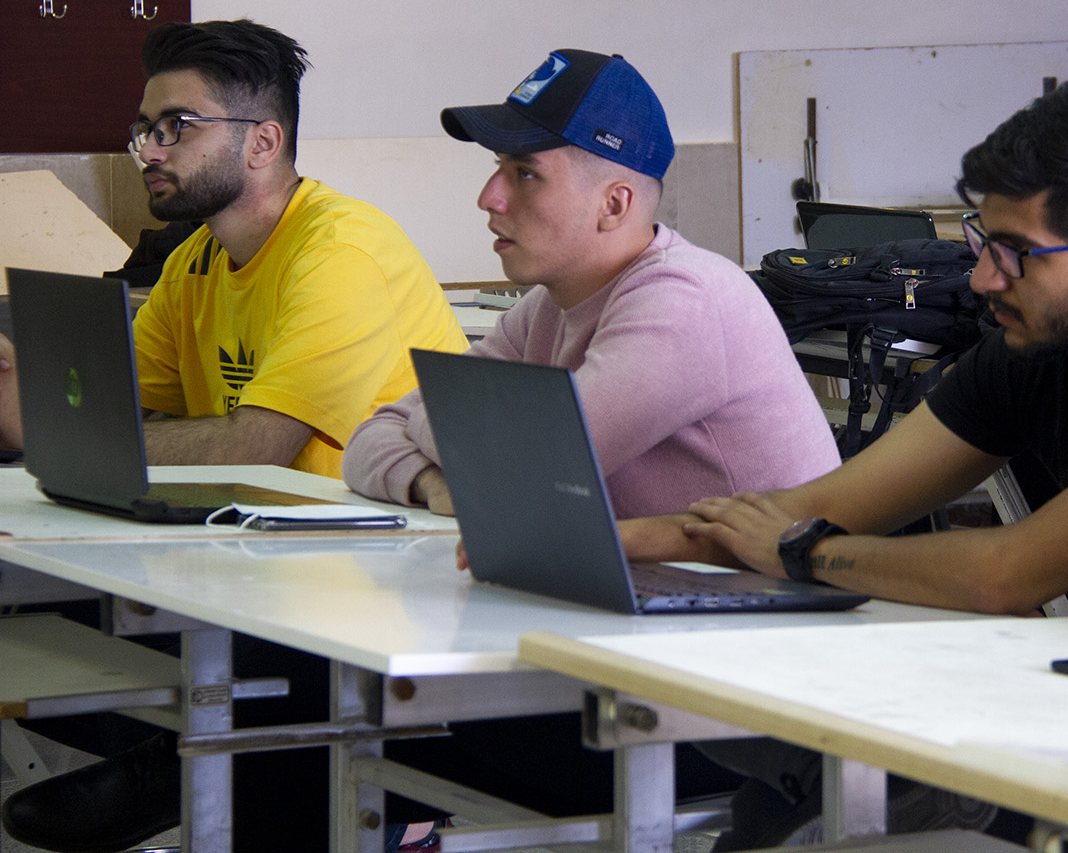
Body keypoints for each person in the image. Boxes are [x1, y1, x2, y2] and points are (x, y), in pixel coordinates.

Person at [619, 74, 1068, 849]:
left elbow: (1005, 574)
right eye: (982, 242)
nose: (982, 279)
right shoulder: (1038, 349)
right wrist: (601, 544)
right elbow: (815, 506)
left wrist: (808, 553)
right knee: (777, 806)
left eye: (1015, 255)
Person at [340, 48, 841, 849]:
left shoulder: (686, 300)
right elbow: (369, 440)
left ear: (614, 203)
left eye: (524, 174)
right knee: (323, 702)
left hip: (741, 713)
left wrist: (462, 440)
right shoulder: (550, 306)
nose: (489, 197)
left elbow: (523, 465)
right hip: (630, 657)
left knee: (325, 712)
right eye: (496, 169)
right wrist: (442, 483)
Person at [0, 19, 469, 853]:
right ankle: (183, 758)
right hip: (260, 554)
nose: (149, 150)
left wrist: (49, 435)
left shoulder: (340, 251)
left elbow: (256, 445)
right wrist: (24, 393)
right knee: (43, 594)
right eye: (144, 128)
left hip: (383, 579)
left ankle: (235, 774)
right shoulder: (196, 260)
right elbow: (110, 410)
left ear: (263, 141)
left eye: (175, 127)